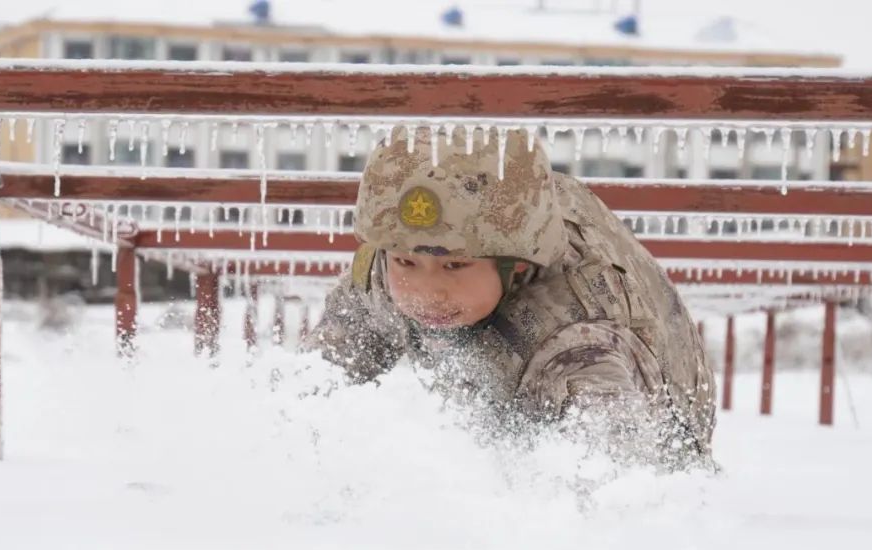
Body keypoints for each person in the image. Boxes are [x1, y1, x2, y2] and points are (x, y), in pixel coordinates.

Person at [302, 126, 715, 467]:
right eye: (406, 264)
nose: (427, 292)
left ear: (514, 263)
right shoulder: (387, 267)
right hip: (499, 371)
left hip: (660, 434)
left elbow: (617, 480)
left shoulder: (578, 336)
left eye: (455, 266)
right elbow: (315, 382)